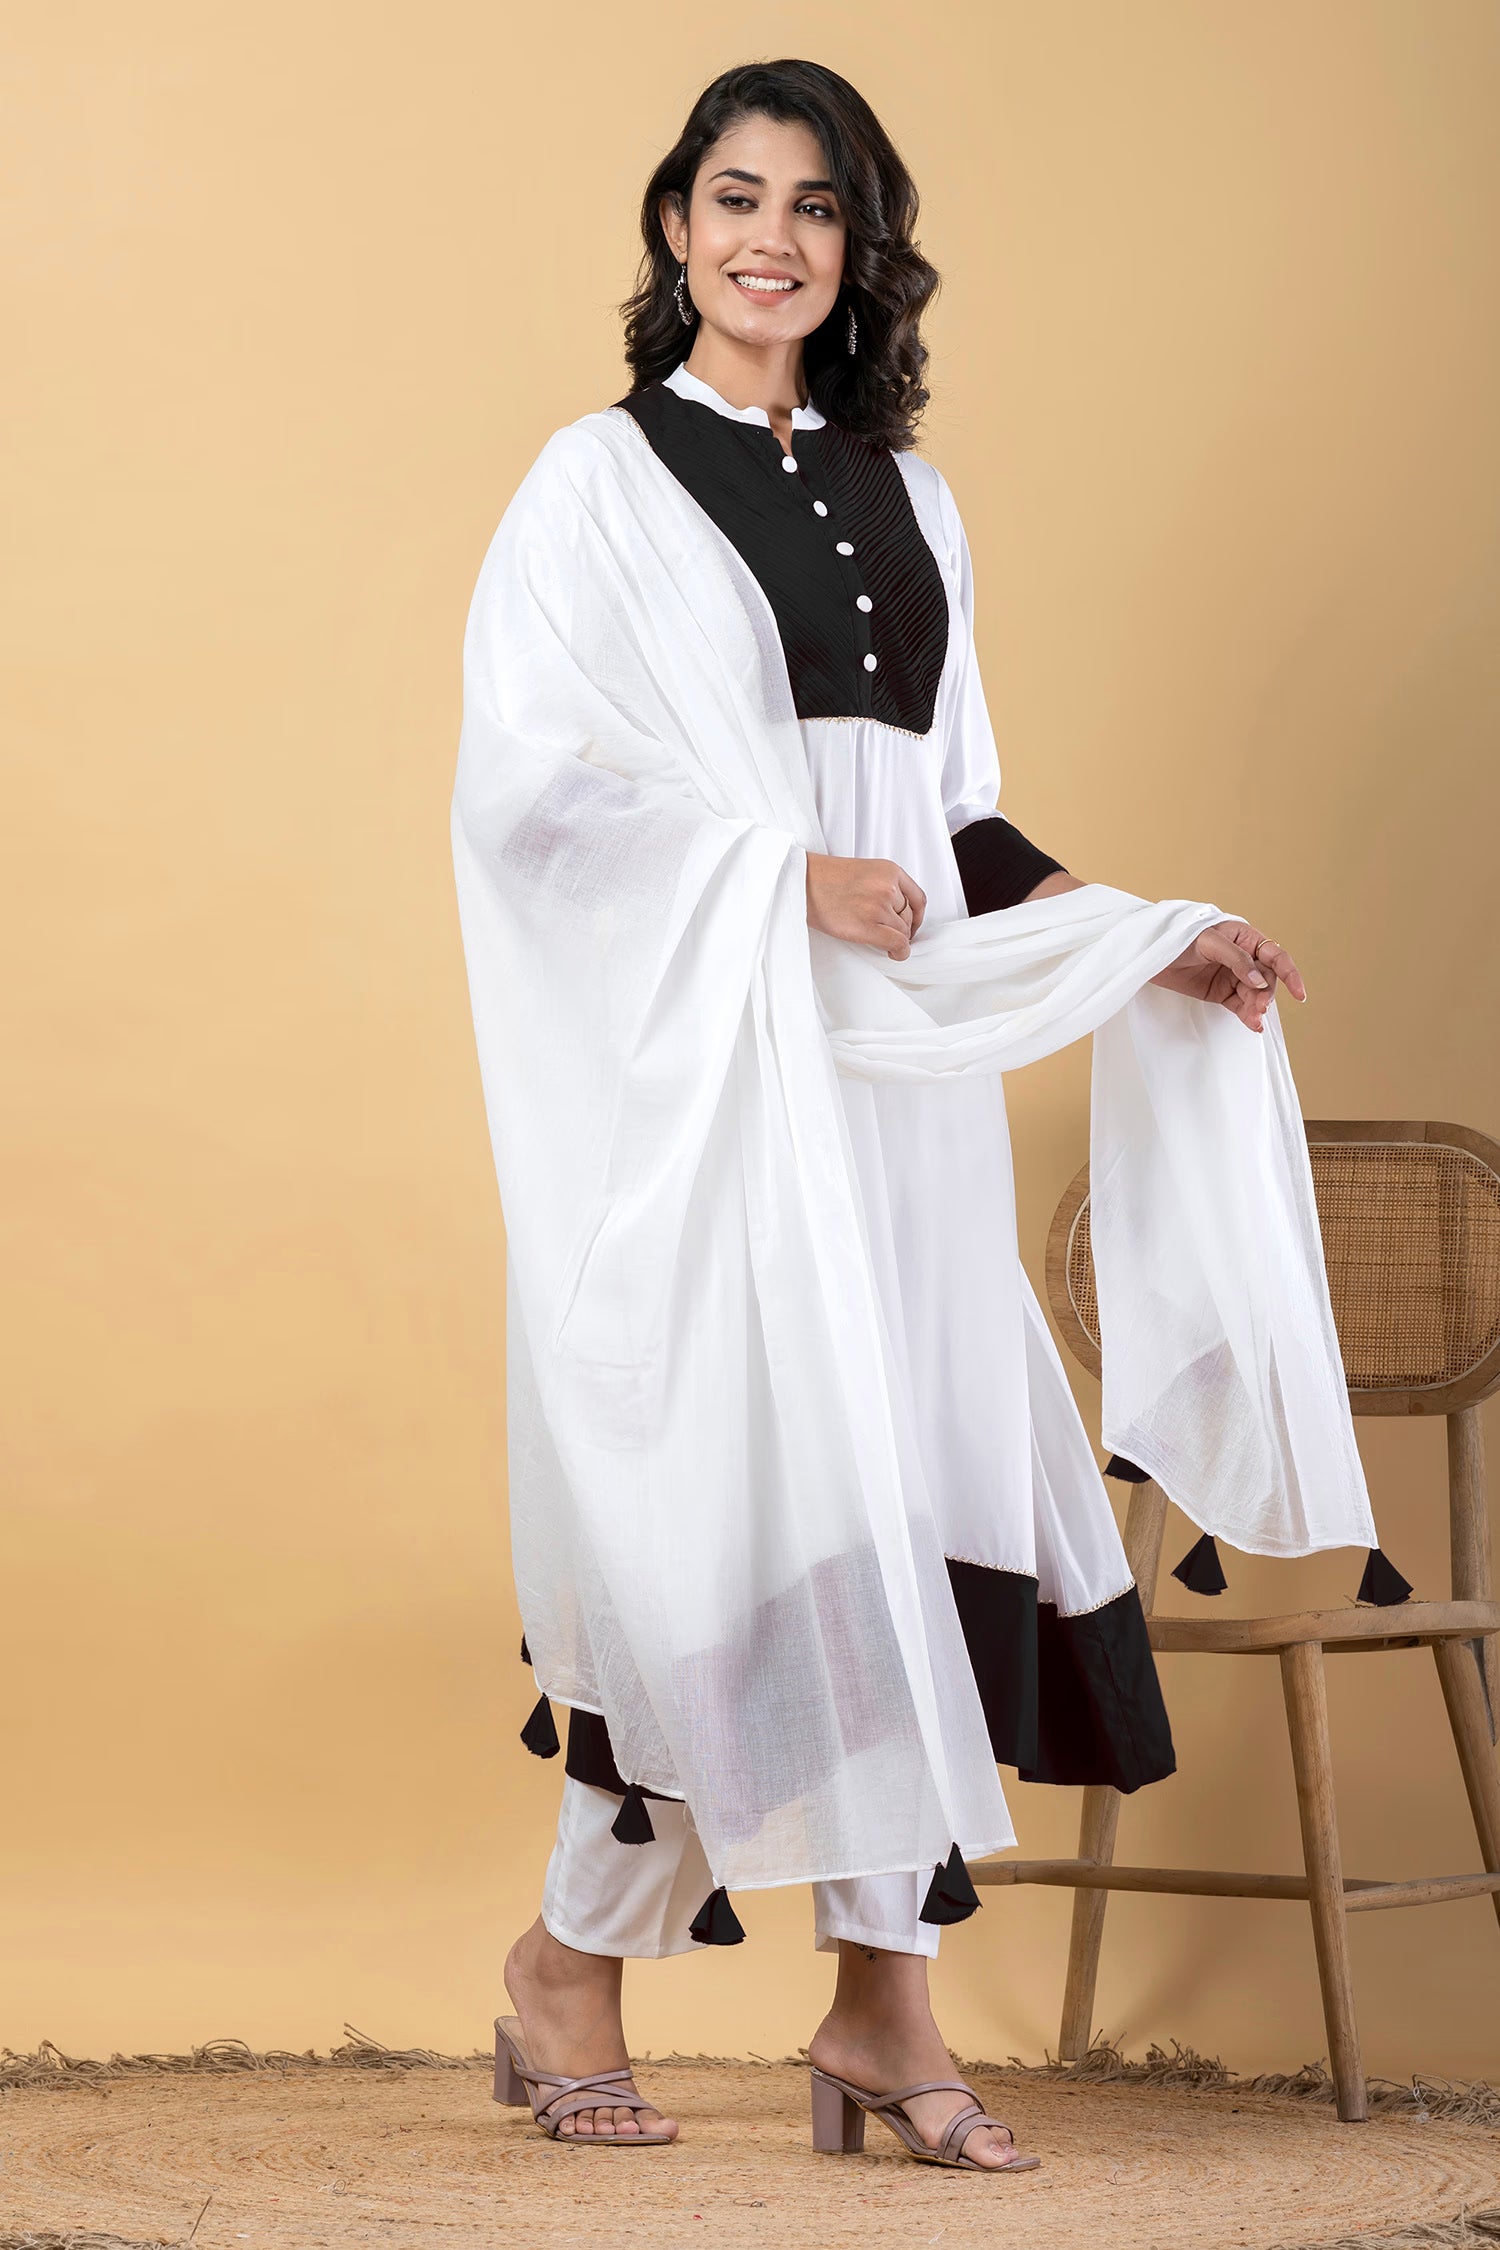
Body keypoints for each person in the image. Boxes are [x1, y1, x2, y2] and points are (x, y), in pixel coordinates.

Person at [451, 60, 1373, 2173]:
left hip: (898, 1095)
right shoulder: (595, 487)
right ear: (675, 224)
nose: (770, 239)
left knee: (910, 1492)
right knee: (736, 1519)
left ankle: (884, 1999)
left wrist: (1144, 939)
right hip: (713, 1090)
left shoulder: (912, 498)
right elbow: (530, 804)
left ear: (859, 248)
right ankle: (568, 1965)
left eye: (815, 207)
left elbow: (953, 818)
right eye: (735, 197)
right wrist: (776, 885)